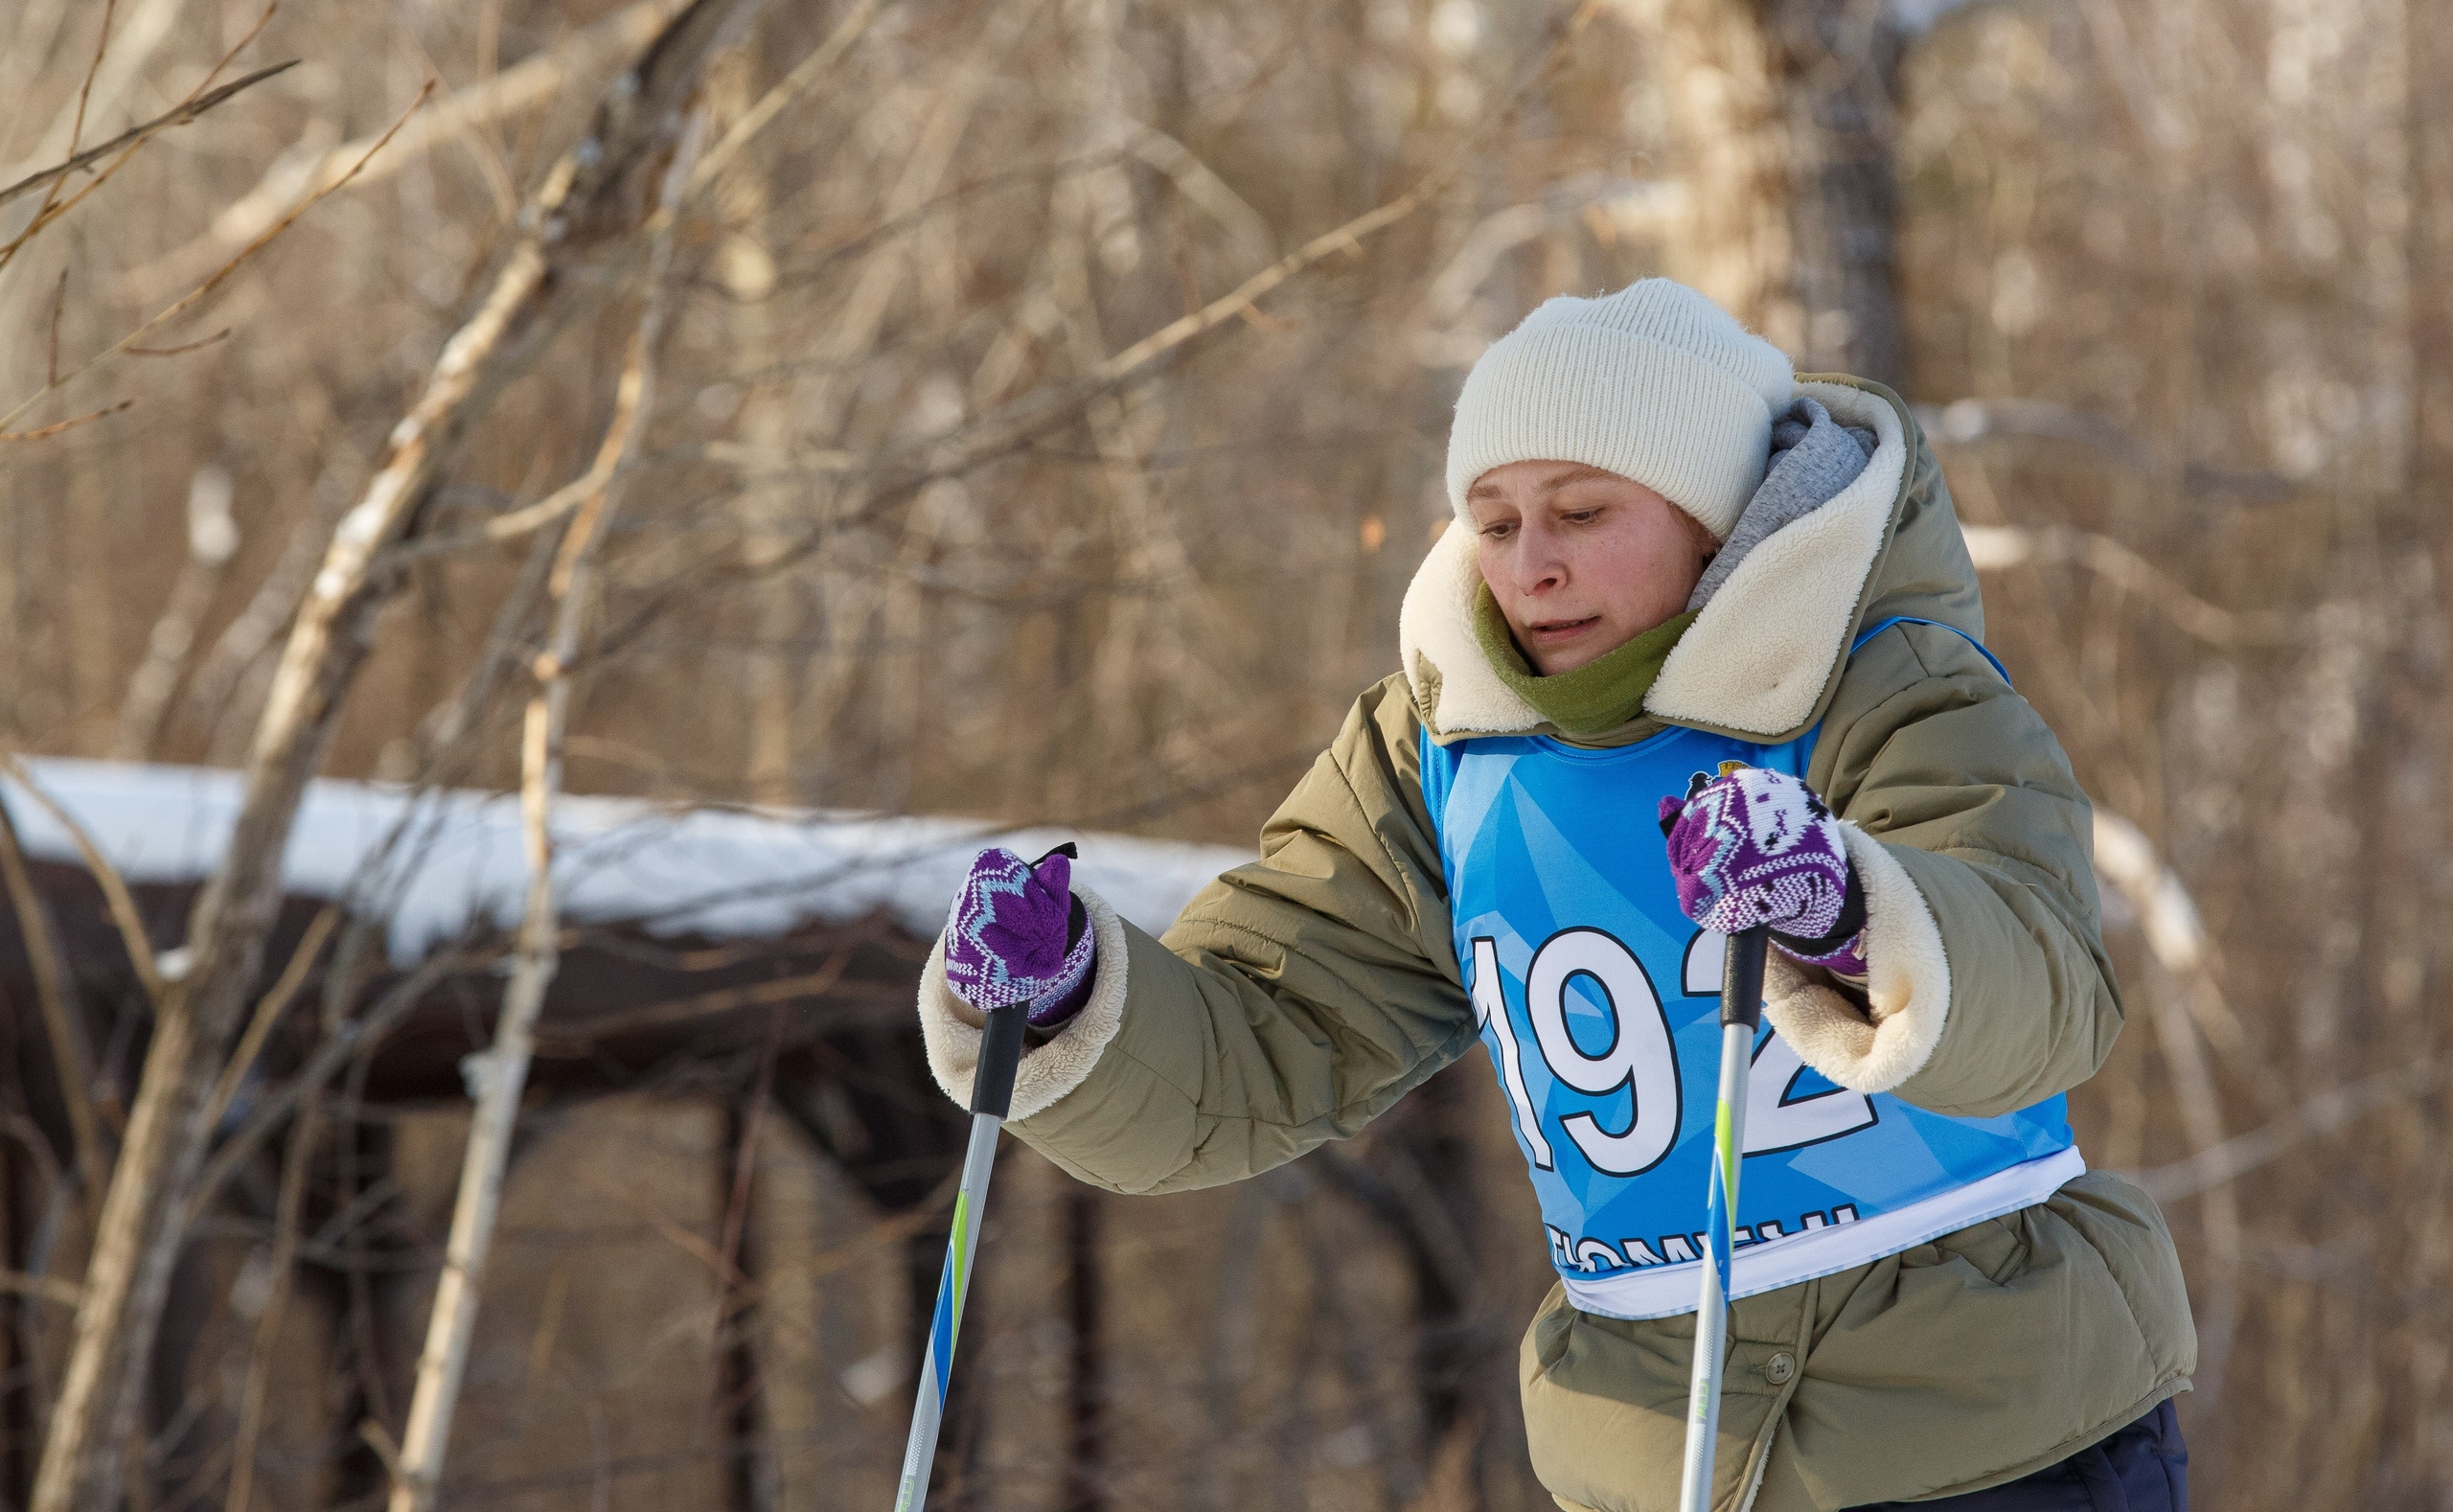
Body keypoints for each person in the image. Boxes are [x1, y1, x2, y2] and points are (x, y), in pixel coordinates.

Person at [917, 279, 2193, 1510]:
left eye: (1583, 514)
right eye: (1495, 518)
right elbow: (1267, 1032)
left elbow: (2042, 978)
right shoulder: (1441, 747)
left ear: (1710, 518)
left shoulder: (1880, 682)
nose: (1532, 566)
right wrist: (1074, 993)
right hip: (1652, 1447)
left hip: (1992, 1433)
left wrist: (1845, 910)